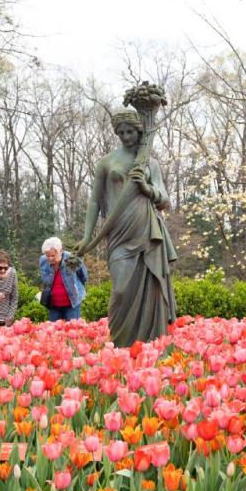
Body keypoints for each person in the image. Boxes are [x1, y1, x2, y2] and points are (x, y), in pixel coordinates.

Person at [74, 108, 176, 347]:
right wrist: (87, 236)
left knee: (151, 292)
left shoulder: (150, 163)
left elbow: (164, 199)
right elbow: (95, 201)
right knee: (120, 290)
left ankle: (150, 347)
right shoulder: (106, 163)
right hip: (118, 234)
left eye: (130, 131)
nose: (126, 136)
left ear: (138, 131)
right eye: (121, 132)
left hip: (147, 234)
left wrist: (146, 187)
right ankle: (120, 347)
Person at [39, 237, 88, 321]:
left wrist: (78, 289)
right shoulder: (43, 261)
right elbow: (46, 282)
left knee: (72, 331)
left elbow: (83, 276)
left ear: (60, 251)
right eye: (47, 255)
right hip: (53, 306)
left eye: (53, 255)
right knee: (53, 332)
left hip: (72, 305)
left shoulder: (71, 259)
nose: (50, 258)